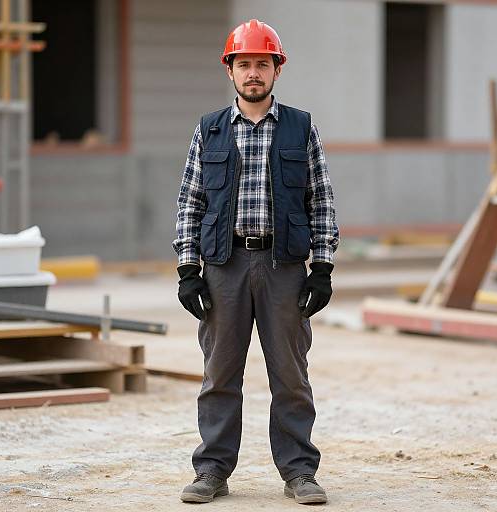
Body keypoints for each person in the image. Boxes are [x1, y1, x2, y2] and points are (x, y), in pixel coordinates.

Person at [172, 19, 339, 505]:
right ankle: (212, 471)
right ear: (230, 70)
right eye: (244, 64)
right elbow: (190, 201)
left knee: (290, 373)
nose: (253, 73)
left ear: (276, 70)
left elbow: (321, 198)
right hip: (224, 266)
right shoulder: (210, 130)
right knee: (220, 373)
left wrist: (322, 267)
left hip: (283, 266)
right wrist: (188, 270)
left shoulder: (301, 127)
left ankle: (299, 472)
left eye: (261, 64)